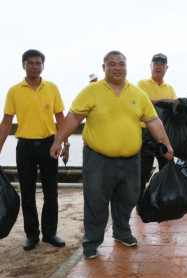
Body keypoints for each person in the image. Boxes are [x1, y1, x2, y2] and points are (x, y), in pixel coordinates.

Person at [50, 50, 174, 259]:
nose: (117, 67)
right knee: (96, 201)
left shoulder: (137, 93)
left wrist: (167, 143)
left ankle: (122, 231)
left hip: (130, 159)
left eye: (121, 64)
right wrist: (58, 140)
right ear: (103, 68)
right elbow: (73, 117)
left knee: (128, 198)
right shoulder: (91, 91)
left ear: (126, 66)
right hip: (98, 159)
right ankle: (92, 241)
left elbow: (153, 121)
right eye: (112, 64)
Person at [0, 49, 68, 251]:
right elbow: (6, 123)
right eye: (30, 63)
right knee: (27, 193)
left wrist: (65, 144)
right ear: (23, 65)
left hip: (49, 145)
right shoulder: (14, 91)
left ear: (43, 66)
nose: (34, 66)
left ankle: (50, 233)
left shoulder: (52, 88)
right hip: (25, 147)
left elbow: (61, 119)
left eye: (38, 63)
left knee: (51, 192)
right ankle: (32, 235)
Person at [137, 53, 178, 200]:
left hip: (163, 133)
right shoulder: (142, 84)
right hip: (145, 133)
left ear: (167, 68)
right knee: (143, 170)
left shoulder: (170, 88)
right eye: (156, 64)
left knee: (166, 167)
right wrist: (168, 100)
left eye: (162, 64)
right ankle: (140, 201)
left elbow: (174, 109)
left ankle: (165, 199)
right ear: (150, 66)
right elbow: (145, 102)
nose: (159, 67)